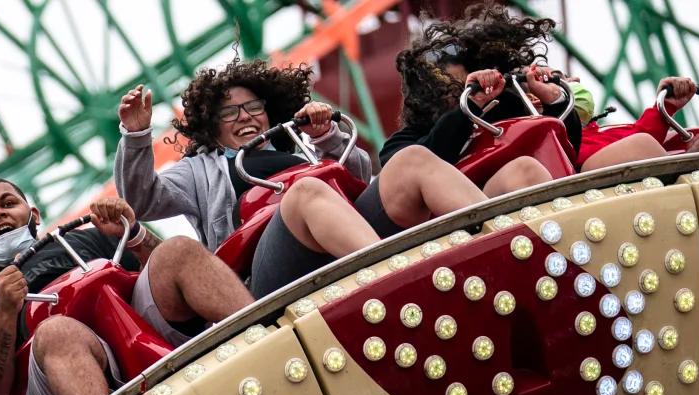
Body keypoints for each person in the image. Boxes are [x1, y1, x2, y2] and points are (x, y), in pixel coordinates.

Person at [0, 178, 252, 395]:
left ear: (34, 215)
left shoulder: (89, 238)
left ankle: (262, 332)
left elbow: (165, 269)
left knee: (178, 250)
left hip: (132, 322)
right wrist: (4, 311)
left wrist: (132, 233)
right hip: (63, 380)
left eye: (7, 204)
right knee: (56, 332)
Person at [113, 59, 395, 295]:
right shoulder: (201, 170)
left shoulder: (302, 151)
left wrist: (326, 136)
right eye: (229, 112)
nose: (245, 117)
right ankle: (391, 272)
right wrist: (136, 136)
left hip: (336, 238)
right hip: (261, 271)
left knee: (409, 160)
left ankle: (415, 257)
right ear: (211, 130)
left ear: (269, 114)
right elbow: (141, 200)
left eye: (254, 107)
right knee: (305, 190)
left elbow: (358, 180)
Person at [359, 5, 584, 236]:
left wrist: (554, 100)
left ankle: (560, 236)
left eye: (462, 85)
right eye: (447, 87)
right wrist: (469, 107)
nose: (455, 90)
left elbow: (565, 150)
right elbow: (414, 166)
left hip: (530, 196)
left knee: (527, 169)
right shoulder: (407, 142)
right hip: (460, 227)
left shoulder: (508, 108)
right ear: (425, 94)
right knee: (523, 170)